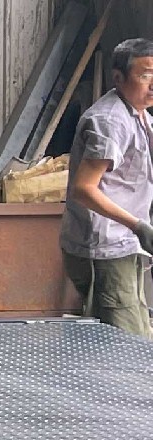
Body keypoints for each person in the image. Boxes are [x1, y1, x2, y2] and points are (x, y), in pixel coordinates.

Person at [62, 37, 153, 334]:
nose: (152, 85)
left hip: (125, 244)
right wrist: (138, 226)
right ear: (118, 77)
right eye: (145, 75)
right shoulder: (109, 122)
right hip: (104, 250)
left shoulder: (138, 113)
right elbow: (84, 188)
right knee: (124, 344)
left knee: (138, 333)